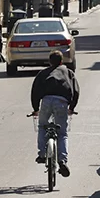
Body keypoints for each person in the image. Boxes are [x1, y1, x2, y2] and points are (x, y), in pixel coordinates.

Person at [31, 50, 80, 178]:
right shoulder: (68, 72)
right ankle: (62, 161)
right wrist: (71, 107)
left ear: (50, 62)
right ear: (61, 61)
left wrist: (36, 108)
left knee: (42, 126)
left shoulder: (43, 73)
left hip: (46, 101)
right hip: (62, 102)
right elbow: (76, 91)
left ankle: (42, 154)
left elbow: (35, 91)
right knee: (62, 133)